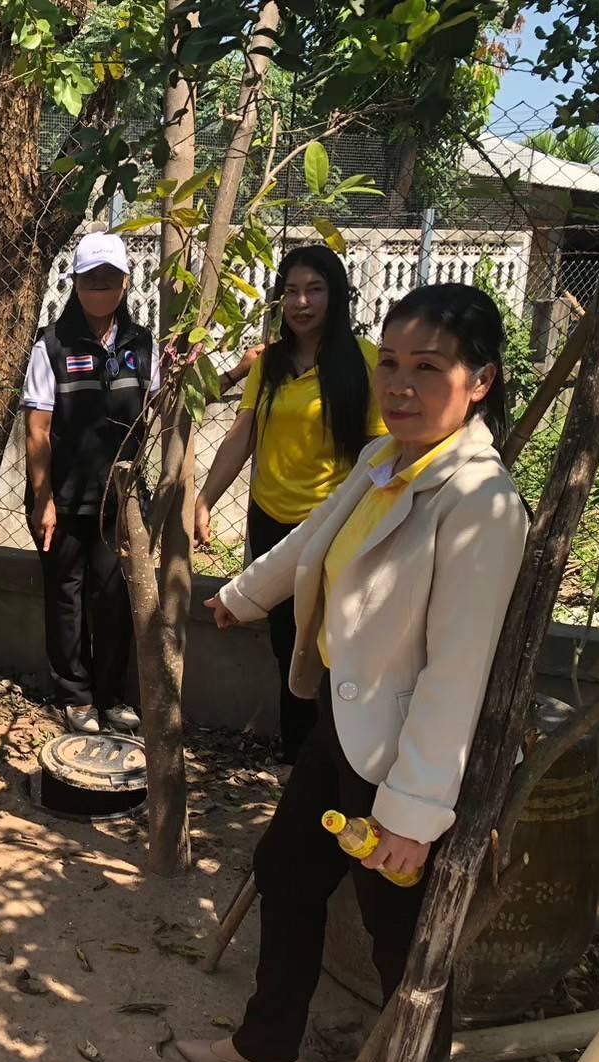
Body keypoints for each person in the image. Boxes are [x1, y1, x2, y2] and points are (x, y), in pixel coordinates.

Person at [176, 284, 528, 1062]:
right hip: (341, 720)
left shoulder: (480, 504)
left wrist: (411, 812)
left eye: (428, 368)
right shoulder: (382, 461)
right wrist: (244, 594)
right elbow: (315, 536)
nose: (400, 385)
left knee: (398, 934)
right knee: (285, 869)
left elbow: (457, 670)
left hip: (399, 754)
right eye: (391, 364)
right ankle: (268, 1046)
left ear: (480, 381)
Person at [193, 244, 385, 764]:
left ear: (336, 295)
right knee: (285, 640)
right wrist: (205, 499)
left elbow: (379, 452)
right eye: (292, 291)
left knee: (332, 642)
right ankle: (297, 755)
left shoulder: (365, 361)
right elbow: (242, 434)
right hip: (270, 519)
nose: (302, 302)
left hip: (332, 525)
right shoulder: (270, 362)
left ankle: (339, 756)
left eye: (315, 290)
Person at [21, 231, 155, 734]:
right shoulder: (52, 346)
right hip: (63, 498)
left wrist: (229, 375)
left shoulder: (142, 345)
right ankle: (75, 697)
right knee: (66, 597)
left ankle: (111, 696)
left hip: (120, 501)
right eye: (90, 278)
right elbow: (37, 429)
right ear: (75, 283)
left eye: (110, 277)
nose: (101, 286)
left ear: (126, 282)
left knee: (114, 596)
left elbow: (167, 404)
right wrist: (43, 499)